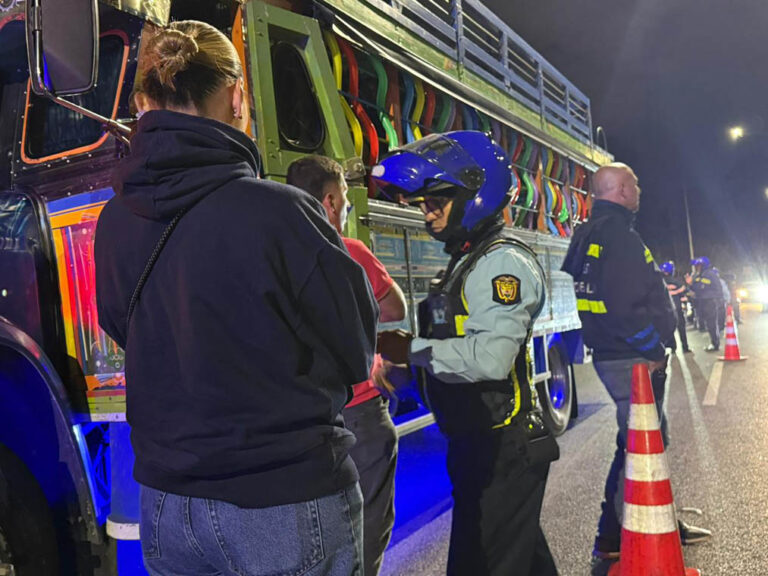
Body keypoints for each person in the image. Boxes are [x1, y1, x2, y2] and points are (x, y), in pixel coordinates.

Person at [95, 21, 378, 576]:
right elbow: (353, 349)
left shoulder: (112, 223)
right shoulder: (282, 212)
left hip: (167, 507)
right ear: (238, 98)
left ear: (142, 105)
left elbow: (123, 328)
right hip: (283, 500)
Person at [373, 131, 560, 576]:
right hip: (476, 444)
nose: (427, 212)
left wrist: (410, 349)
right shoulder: (468, 261)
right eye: (424, 203)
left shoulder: (502, 263)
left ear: (476, 193)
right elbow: (455, 346)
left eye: (438, 200)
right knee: (521, 559)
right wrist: (409, 375)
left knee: (481, 564)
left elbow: (490, 359)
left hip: (503, 448)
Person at [561, 163, 711, 574]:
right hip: (632, 357)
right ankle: (629, 534)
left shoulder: (590, 232)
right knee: (643, 445)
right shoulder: (619, 236)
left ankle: (625, 530)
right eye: (635, 183)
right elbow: (624, 307)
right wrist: (653, 348)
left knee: (638, 441)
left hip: (613, 353)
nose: (640, 189)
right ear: (623, 189)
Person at [286, 155, 406, 576]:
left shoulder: (275, 256)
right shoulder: (349, 250)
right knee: (368, 524)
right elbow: (394, 309)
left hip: (302, 420)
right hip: (359, 414)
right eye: (347, 204)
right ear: (332, 202)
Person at [690, 256, 724, 351]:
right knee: (707, 324)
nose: (696, 267)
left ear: (703, 265)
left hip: (710, 302)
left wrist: (719, 300)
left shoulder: (710, 274)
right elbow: (695, 288)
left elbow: (717, 289)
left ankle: (715, 344)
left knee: (711, 324)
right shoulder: (699, 276)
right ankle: (714, 342)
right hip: (702, 302)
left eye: (698, 265)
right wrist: (691, 283)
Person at [660, 261, 691, 353]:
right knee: (681, 328)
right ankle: (685, 347)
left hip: (665, 311)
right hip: (677, 309)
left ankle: (672, 348)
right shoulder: (676, 282)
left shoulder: (659, 283)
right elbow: (686, 293)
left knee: (669, 329)